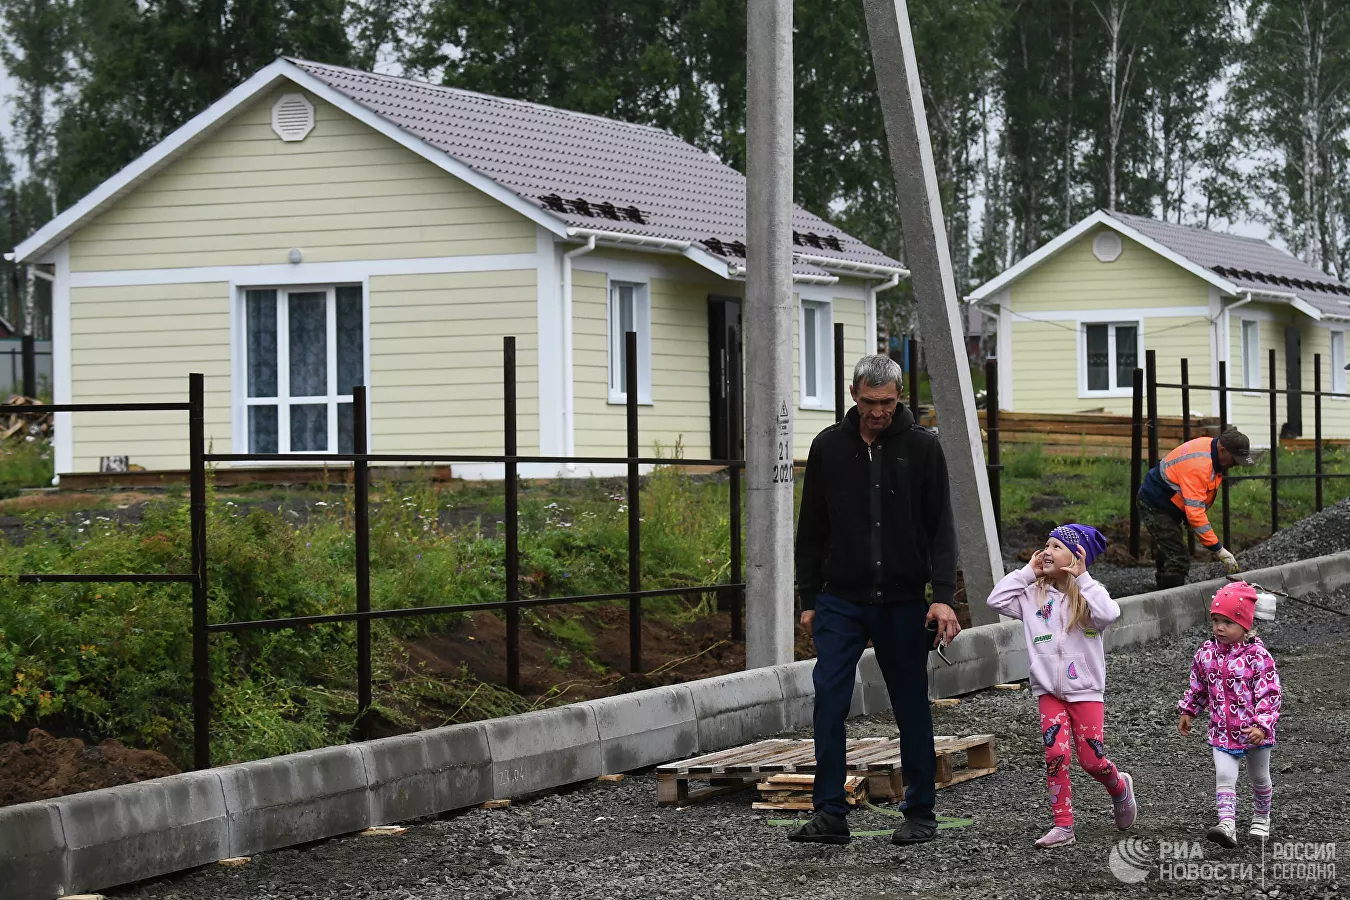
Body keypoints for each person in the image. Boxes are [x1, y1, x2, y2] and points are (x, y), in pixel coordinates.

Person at [790, 354, 962, 847]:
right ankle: (829, 814)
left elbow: (941, 529)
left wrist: (943, 597)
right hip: (840, 599)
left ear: (900, 396)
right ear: (853, 394)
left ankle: (920, 812)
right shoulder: (828, 447)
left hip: (903, 601)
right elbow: (812, 529)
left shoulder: (923, 449)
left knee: (910, 705)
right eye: (869, 402)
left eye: (887, 403)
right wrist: (809, 597)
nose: (879, 412)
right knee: (829, 700)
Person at [986, 524, 1138, 849]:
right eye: (1046, 544)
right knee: (1055, 753)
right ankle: (1063, 826)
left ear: (1077, 556)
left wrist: (1083, 579)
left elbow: (1111, 613)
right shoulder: (1032, 595)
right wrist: (1028, 572)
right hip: (1048, 691)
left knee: (1092, 760)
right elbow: (995, 600)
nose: (1047, 551)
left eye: (1056, 546)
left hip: (1085, 690)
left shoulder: (1088, 595)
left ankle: (1119, 787)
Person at [1178, 582, 1282, 847]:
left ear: (1245, 624)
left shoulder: (1258, 657)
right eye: (1215, 621)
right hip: (1222, 731)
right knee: (1224, 776)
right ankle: (1227, 824)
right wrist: (1190, 710)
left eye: (1227, 622)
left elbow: (1269, 694)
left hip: (1254, 733)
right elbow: (1199, 686)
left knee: (1259, 777)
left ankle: (1262, 816)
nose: (1219, 628)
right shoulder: (1206, 653)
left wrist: (1262, 725)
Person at [1137, 427, 1256, 590]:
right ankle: (1171, 601)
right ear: (1222, 450)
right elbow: (1195, 513)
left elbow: (1196, 498)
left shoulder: (1212, 454)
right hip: (1155, 503)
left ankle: (1161, 593)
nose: (1235, 464)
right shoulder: (1199, 466)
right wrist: (1218, 549)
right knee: (1178, 557)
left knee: (1170, 549)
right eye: (1234, 459)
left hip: (1167, 502)